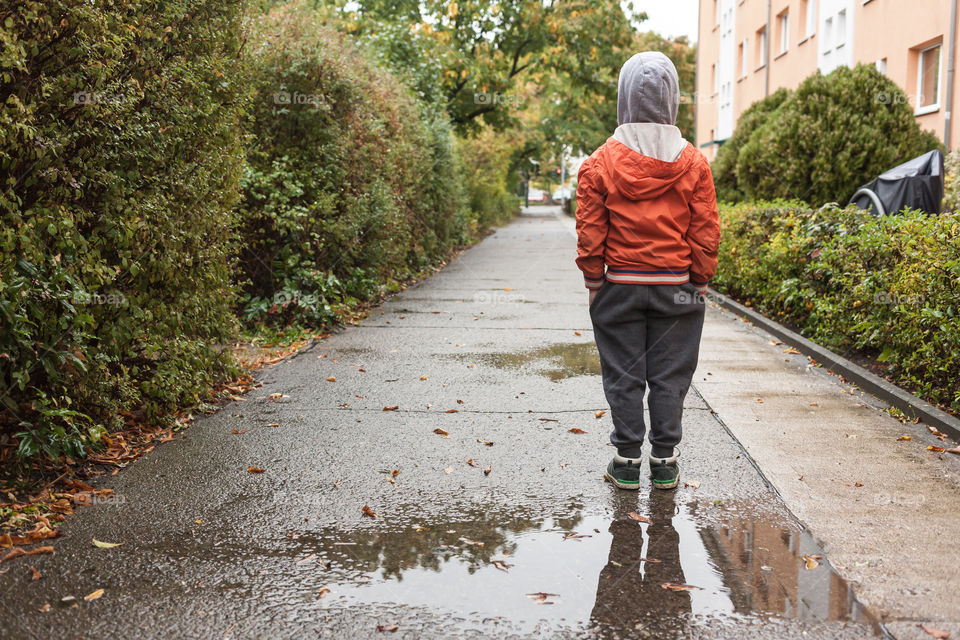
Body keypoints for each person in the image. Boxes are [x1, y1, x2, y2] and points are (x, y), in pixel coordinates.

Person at [575, 51, 720, 490]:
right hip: (676, 287)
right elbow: (706, 229)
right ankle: (664, 461)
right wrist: (699, 281)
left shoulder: (598, 162)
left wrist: (594, 281)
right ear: (673, 99)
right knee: (670, 374)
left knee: (623, 373)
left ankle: (624, 461)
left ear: (624, 99)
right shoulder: (694, 162)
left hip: (620, 284)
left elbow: (590, 230)